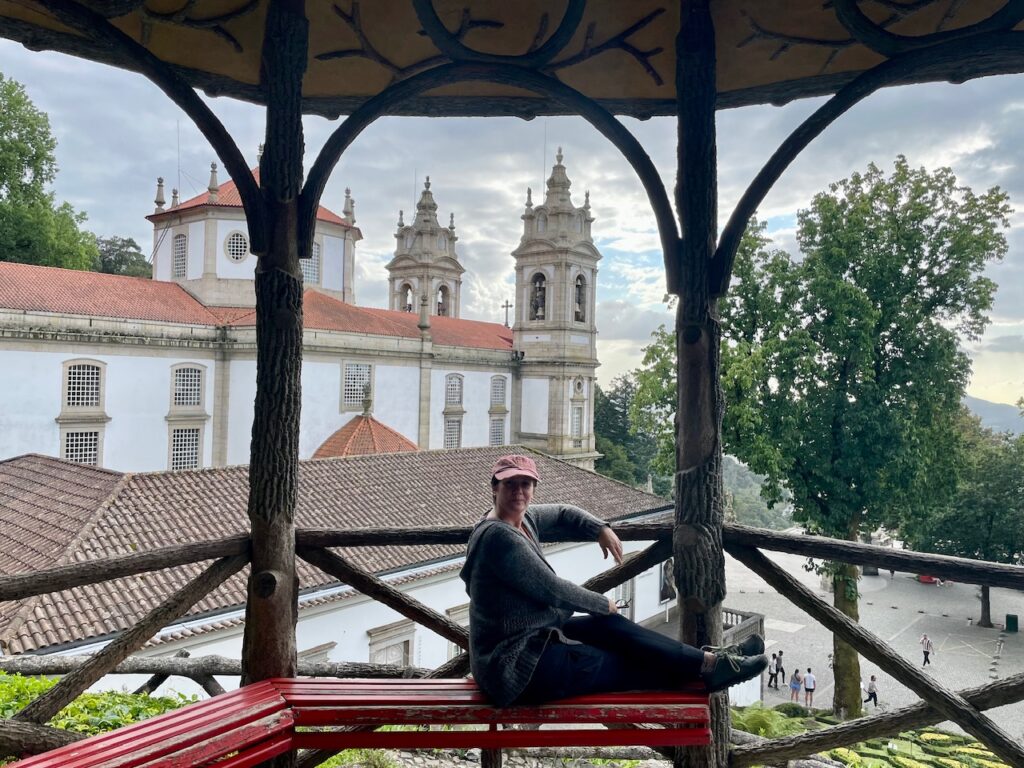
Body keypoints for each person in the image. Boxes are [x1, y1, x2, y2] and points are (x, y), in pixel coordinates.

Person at [460, 454, 768, 707]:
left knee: (611, 627)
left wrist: (599, 528)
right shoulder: (500, 538)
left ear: (534, 488)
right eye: (509, 484)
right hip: (513, 669)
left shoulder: (523, 519)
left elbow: (564, 514)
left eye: (525, 484)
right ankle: (709, 668)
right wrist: (600, 603)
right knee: (623, 661)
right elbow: (552, 589)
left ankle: (711, 661)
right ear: (494, 488)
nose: (518, 491)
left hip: (535, 637)